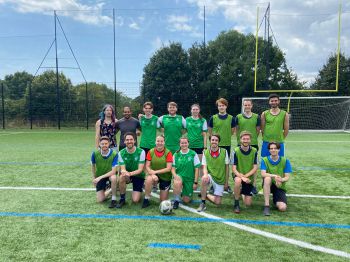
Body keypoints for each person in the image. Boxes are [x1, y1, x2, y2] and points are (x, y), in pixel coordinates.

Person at [197, 134, 230, 212]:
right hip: (211, 175)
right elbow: (204, 166)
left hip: (220, 178)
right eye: (212, 140)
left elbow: (227, 168)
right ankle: (202, 203)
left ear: (218, 142)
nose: (214, 142)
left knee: (217, 202)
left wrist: (226, 182)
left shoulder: (224, 152)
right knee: (204, 179)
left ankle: (205, 194)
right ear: (210, 141)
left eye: (216, 140)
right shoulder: (205, 152)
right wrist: (205, 174)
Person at [235, 99, 260, 194]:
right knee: (240, 165)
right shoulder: (238, 117)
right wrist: (241, 140)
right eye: (245, 105)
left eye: (249, 105)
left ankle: (253, 185)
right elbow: (237, 130)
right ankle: (241, 183)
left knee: (253, 166)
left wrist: (251, 140)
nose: (247, 106)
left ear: (252, 105)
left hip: (253, 143)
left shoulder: (256, 117)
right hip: (241, 144)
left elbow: (258, 130)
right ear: (243, 106)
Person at [261, 142, 292, 216]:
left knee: (282, 208)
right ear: (269, 150)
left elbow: (287, 177)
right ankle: (266, 206)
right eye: (271, 148)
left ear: (279, 150)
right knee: (267, 178)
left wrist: (280, 180)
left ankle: (276, 199)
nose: (273, 150)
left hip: (279, 185)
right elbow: (263, 174)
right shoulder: (264, 160)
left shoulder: (285, 161)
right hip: (268, 184)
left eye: (275, 148)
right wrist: (275, 176)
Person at [115, 132, 146, 208]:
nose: (129, 141)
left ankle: (141, 187)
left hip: (139, 176)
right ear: (124, 141)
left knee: (135, 200)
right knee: (122, 177)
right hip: (128, 175)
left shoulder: (141, 152)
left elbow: (140, 169)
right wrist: (125, 173)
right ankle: (122, 199)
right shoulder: (121, 153)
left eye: (131, 139)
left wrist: (129, 173)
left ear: (134, 140)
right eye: (127, 140)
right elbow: (123, 169)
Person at [142, 135, 173, 208]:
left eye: (161, 141)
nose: (160, 143)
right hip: (154, 175)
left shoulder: (168, 153)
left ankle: (167, 187)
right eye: (158, 141)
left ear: (164, 142)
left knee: (162, 201)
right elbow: (147, 166)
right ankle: (146, 199)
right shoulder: (151, 151)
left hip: (165, 177)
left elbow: (168, 168)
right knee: (149, 179)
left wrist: (155, 172)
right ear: (155, 142)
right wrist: (152, 174)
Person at [231, 131, 258, 213]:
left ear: (250, 140)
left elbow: (255, 167)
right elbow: (234, 169)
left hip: (248, 177)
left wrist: (246, 177)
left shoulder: (254, 151)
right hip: (238, 175)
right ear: (240, 140)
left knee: (248, 203)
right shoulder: (236, 151)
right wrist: (242, 177)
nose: (245, 141)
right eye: (244, 139)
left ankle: (240, 191)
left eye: (247, 139)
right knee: (238, 181)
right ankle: (236, 203)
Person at [172, 137, 201, 209]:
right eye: (182, 143)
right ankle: (176, 200)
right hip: (180, 176)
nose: (184, 144)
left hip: (189, 179)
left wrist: (195, 182)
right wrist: (175, 175)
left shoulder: (193, 154)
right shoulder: (176, 154)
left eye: (185, 143)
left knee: (186, 200)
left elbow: (197, 169)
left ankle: (182, 193)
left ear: (188, 143)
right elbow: (172, 168)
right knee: (177, 182)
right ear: (179, 144)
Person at [91, 136, 118, 208]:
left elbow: (113, 171)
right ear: (99, 144)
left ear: (109, 144)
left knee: (114, 178)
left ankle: (113, 199)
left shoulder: (114, 154)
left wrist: (99, 178)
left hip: (109, 175)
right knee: (100, 200)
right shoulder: (94, 153)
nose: (104, 145)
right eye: (102, 144)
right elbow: (93, 166)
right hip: (100, 176)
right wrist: (93, 178)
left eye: (106, 143)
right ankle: (110, 189)